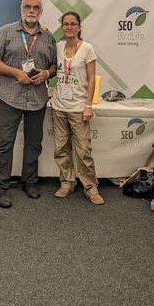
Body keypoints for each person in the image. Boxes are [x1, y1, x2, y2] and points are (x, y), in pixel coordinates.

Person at [0, 0, 57, 208]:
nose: (32, 11)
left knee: (34, 143)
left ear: (41, 12)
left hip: (37, 98)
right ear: (21, 9)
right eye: (28, 6)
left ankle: (30, 182)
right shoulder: (5, 32)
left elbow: (54, 66)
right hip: (10, 96)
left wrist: (46, 73)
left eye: (36, 7)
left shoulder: (48, 37)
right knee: (4, 144)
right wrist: (16, 73)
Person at [51, 12, 103, 205]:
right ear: (62, 27)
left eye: (73, 24)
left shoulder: (87, 49)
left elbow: (91, 80)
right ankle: (66, 182)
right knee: (61, 148)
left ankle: (90, 187)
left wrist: (88, 105)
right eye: (66, 24)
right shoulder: (57, 47)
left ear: (79, 27)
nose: (69, 27)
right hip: (58, 106)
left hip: (78, 108)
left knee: (83, 151)